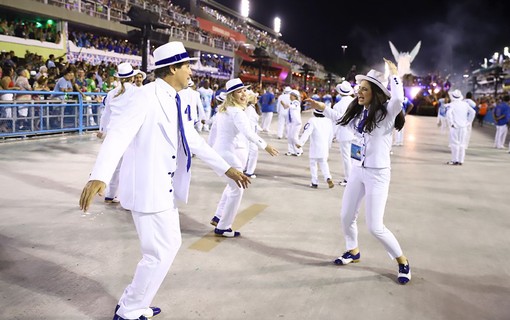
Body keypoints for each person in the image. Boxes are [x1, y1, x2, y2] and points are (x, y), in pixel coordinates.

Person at [79, 41, 251, 320]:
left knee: (167, 247)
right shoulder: (144, 96)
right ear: (173, 68)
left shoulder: (175, 97)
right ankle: (130, 309)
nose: (191, 72)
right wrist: (99, 175)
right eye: (186, 67)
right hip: (147, 188)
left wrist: (226, 168)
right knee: (158, 252)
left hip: (165, 188)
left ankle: (135, 303)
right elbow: (118, 134)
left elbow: (191, 138)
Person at [305, 58, 412, 285]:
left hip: (378, 174)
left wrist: (394, 74)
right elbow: (341, 120)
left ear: (375, 92)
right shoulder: (361, 114)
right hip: (358, 171)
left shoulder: (386, 114)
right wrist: (322, 108)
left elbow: (399, 98)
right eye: (358, 89)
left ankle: (402, 261)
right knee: (346, 216)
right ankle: (352, 250)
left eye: (364, 89)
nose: (359, 92)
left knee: (375, 226)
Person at [209, 78, 279, 236]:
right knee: (237, 190)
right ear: (231, 95)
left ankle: (219, 217)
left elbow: (213, 134)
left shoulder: (223, 111)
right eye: (239, 91)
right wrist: (265, 146)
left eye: (244, 90)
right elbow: (249, 133)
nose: (243, 94)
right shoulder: (236, 112)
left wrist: (211, 153)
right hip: (228, 155)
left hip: (222, 153)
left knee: (232, 187)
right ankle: (223, 227)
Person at [96, 62, 138, 204]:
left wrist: (102, 130)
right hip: (130, 133)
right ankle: (128, 197)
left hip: (113, 132)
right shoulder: (137, 92)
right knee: (131, 166)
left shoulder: (111, 93)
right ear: (132, 77)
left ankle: (110, 194)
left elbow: (105, 114)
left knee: (115, 164)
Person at [296, 108, 335, 189]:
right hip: (324, 146)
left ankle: (314, 182)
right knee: (324, 163)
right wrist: (328, 145)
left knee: (313, 164)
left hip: (315, 147)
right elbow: (331, 135)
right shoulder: (328, 121)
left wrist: (300, 143)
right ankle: (328, 177)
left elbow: (307, 132)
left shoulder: (312, 120)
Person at [332, 81, 355, 186]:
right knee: (355, 157)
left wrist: (333, 135)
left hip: (344, 134)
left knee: (346, 157)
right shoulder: (356, 102)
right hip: (356, 134)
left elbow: (335, 122)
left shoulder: (338, 105)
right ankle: (355, 178)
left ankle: (348, 179)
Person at [445, 89, 476, 165]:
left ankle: (454, 160)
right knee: (462, 144)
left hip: (455, 127)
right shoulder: (465, 104)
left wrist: (451, 123)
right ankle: (461, 160)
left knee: (454, 144)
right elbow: (473, 112)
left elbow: (448, 114)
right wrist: (468, 122)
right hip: (464, 127)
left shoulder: (452, 104)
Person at [244, 89, 262, 178]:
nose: (257, 99)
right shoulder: (249, 109)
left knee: (250, 152)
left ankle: (247, 169)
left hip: (252, 133)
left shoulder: (251, 107)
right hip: (250, 135)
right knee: (253, 152)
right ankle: (249, 171)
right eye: (255, 97)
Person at [284, 89, 303, 156]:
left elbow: (293, 107)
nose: (290, 96)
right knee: (290, 137)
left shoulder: (296, 102)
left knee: (294, 137)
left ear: (295, 96)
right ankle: (291, 150)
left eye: (292, 95)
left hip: (296, 123)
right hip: (291, 123)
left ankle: (299, 150)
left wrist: (288, 105)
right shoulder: (291, 102)